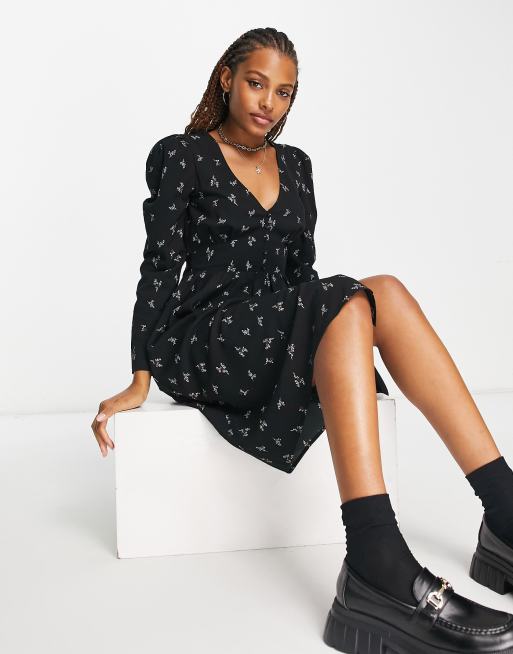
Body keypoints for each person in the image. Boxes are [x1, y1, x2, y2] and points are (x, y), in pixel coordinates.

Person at [92, 27, 513, 653]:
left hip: (273, 330)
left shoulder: (296, 165)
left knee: (385, 292)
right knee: (344, 296)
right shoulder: (183, 155)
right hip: (204, 339)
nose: (268, 103)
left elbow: (300, 276)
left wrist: (338, 353)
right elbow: (159, 268)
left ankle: (503, 511)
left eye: (284, 92)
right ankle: (376, 557)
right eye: (256, 83)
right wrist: (139, 375)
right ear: (227, 79)